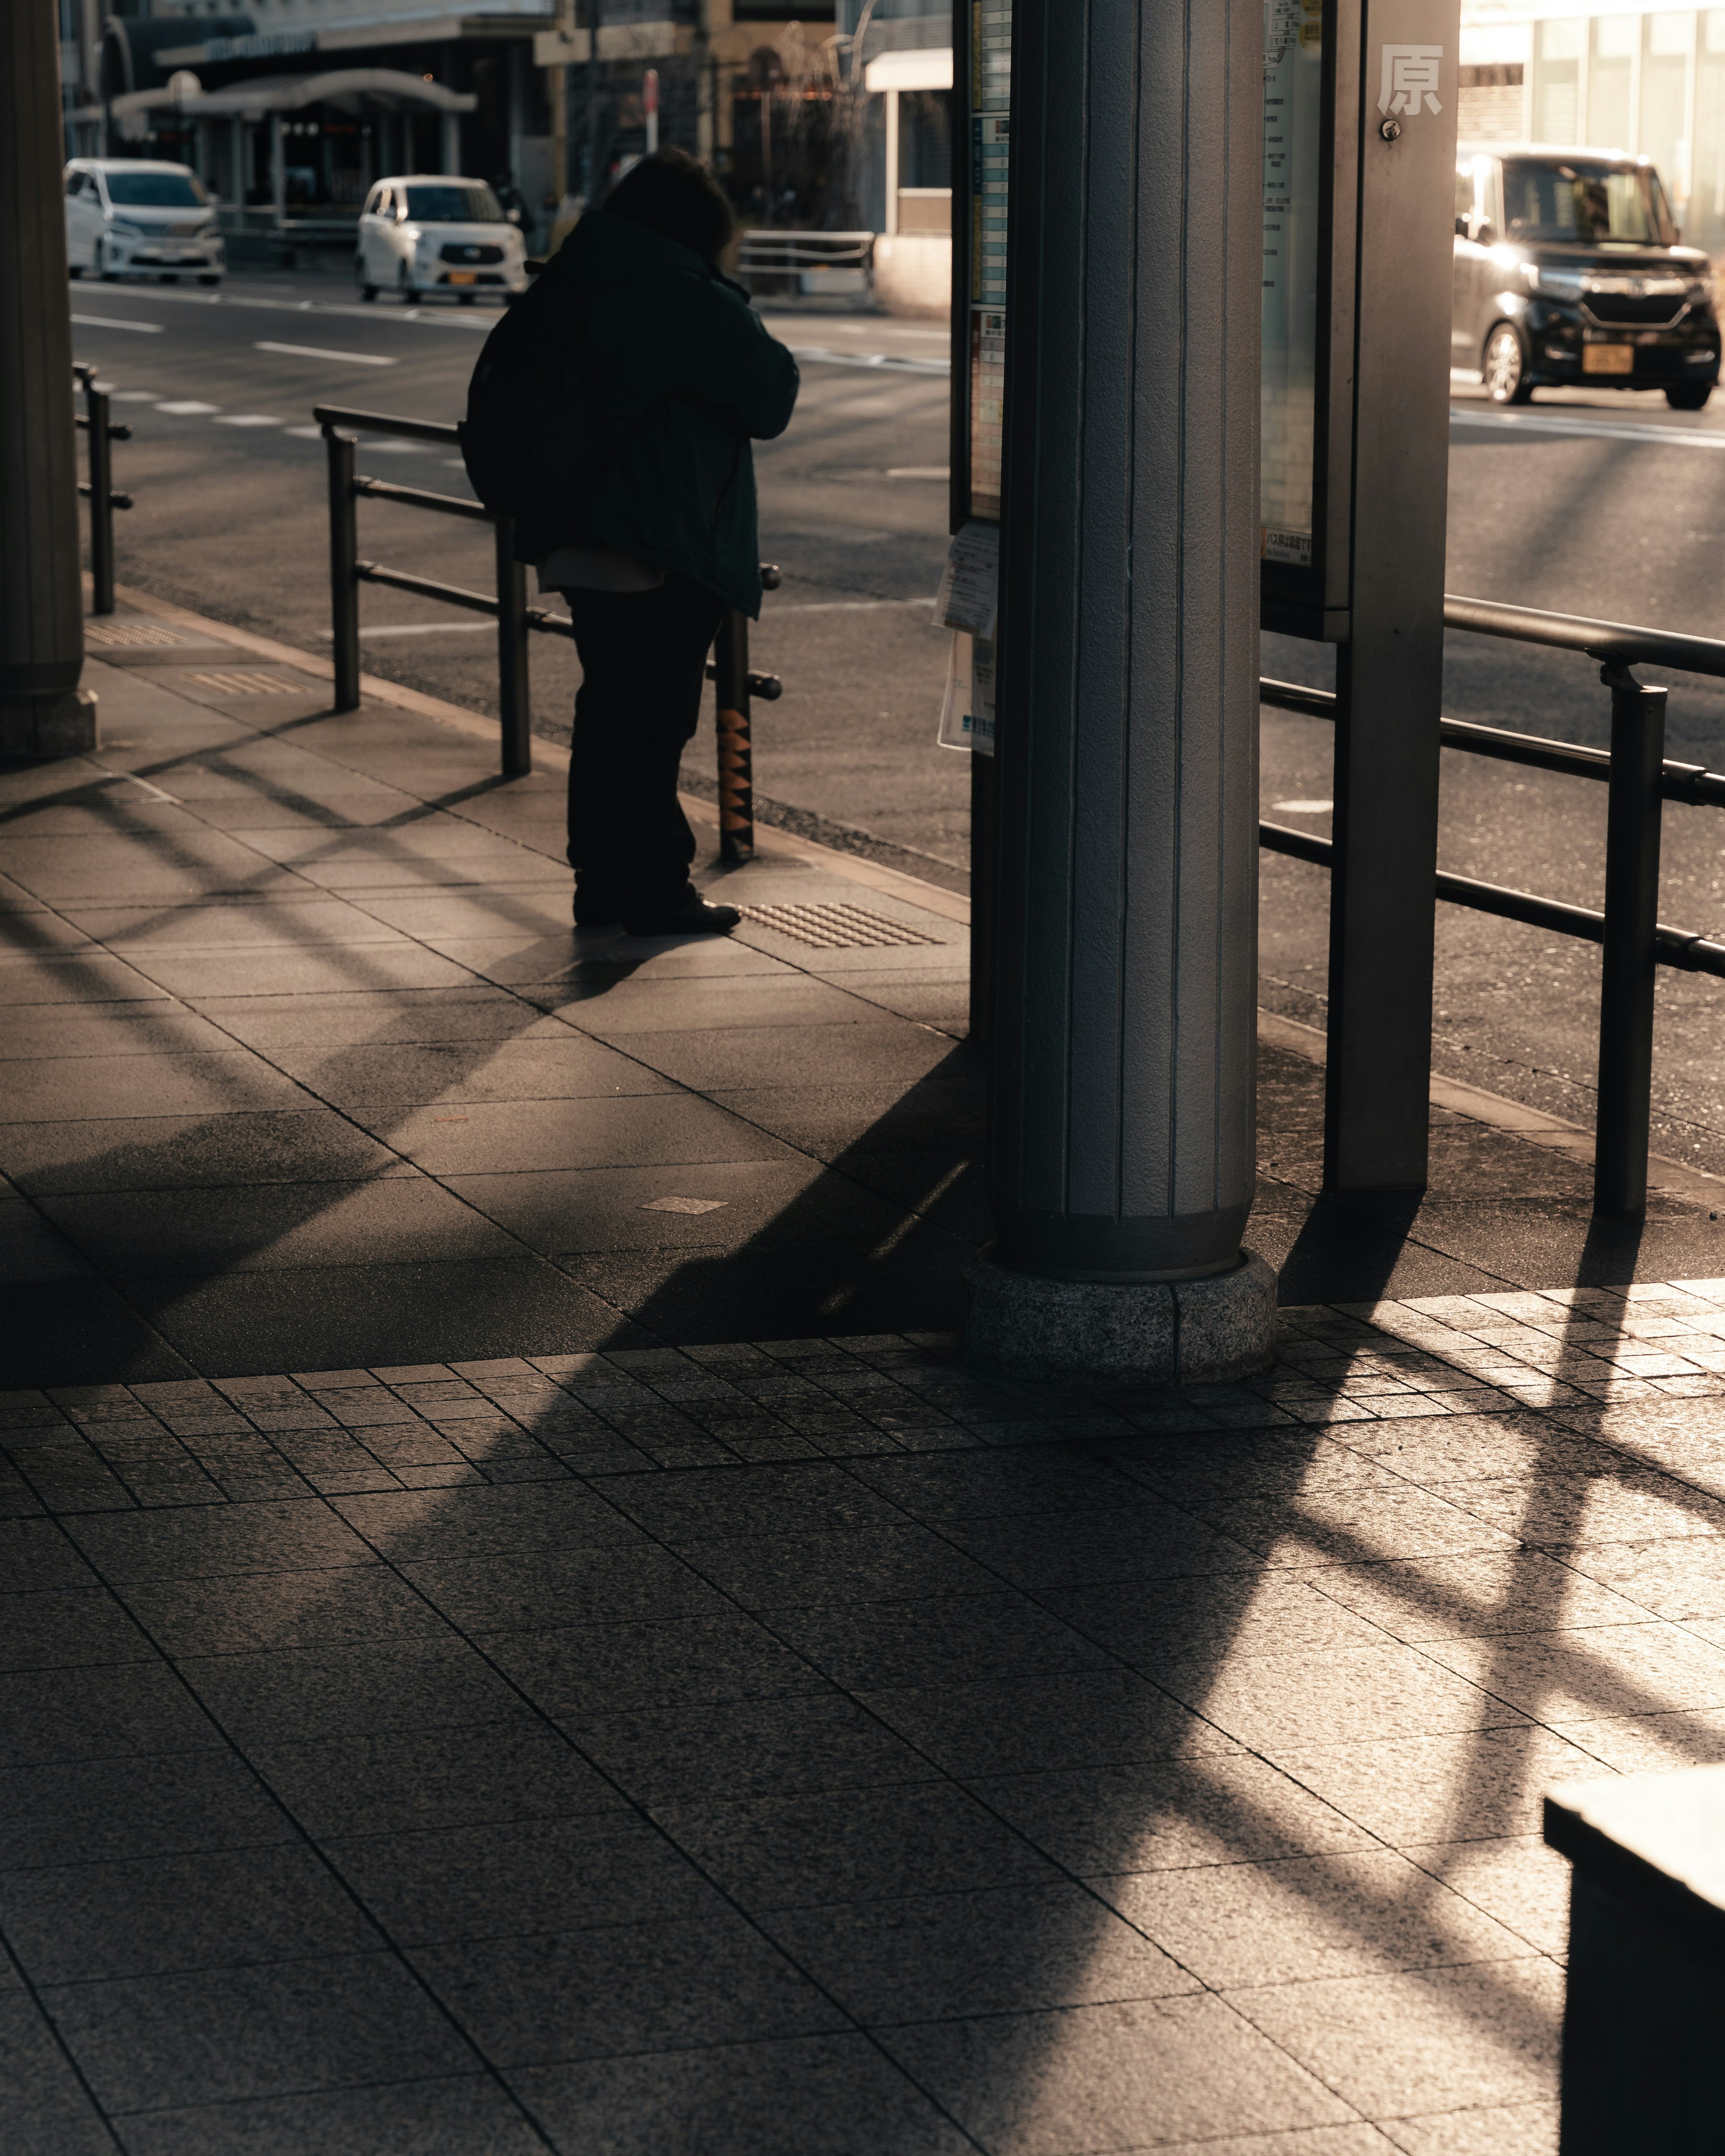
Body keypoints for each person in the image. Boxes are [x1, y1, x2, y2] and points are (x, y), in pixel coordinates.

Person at [519, 150, 799, 936]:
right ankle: (656, 886)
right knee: (651, 721)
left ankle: (603, 885)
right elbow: (770, 392)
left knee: (610, 712)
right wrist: (722, 292)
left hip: (578, 527)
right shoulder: (677, 294)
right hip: (658, 541)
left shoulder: (577, 277)